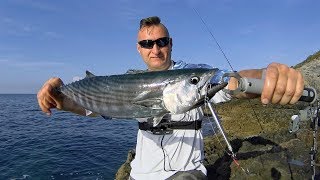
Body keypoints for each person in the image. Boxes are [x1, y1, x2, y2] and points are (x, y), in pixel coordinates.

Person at [37, 16, 304, 180]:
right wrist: (58, 98)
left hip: (186, 174)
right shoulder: (128, 82)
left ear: (170, 43)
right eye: (147, 43)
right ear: (139, 49)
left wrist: (266, 76)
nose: (155, 49)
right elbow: (92, 108)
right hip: (141, 175)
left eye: (161, 42)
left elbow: (231, 81)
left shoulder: (193, 77)